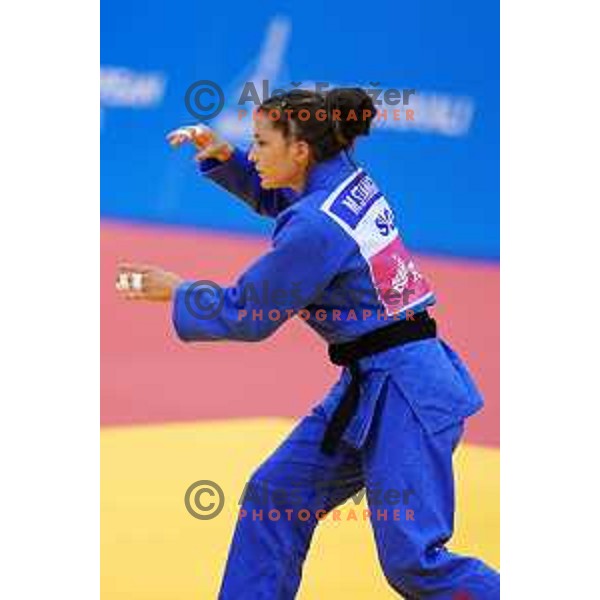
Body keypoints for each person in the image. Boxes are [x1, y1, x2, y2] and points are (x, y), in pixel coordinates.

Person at [116, 88, 500, 599]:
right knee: (276, 496)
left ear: (299, 150)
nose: (252, 152)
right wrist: (228, 160)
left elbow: (247, 312)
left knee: (415, 564)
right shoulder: (343, 177)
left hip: (406, 394)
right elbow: (293, 201)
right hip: (377, 382)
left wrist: (175, 289)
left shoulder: (317, 227)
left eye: (259, 143)